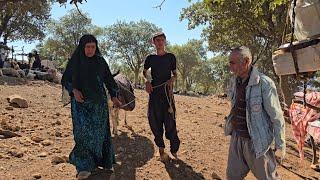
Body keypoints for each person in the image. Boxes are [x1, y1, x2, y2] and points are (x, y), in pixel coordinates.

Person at [61, 34, 121, 179]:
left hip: (99, 105)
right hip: (80, 105)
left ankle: (103, 162)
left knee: (100, 134)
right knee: (82, 135)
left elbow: (109, 80)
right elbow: (65, 80)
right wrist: (74, 90)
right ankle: (84, 167)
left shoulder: (100, 61)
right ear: (82, 47)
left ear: (96, 47)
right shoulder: (75, 61)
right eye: (87, 47)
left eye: (93, 47)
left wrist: (114, 95)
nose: (90, 50)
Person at [225, 46, 286, 180]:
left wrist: (280, 144)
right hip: (237, 139)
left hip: (257, 142)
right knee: (232, 176)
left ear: (246, 61)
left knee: (268, 178)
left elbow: (276, 116)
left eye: (232, 62)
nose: (230, 66)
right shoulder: (235, 81)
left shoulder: (264, 83)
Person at [142, 32, 180, 162]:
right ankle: (161, 150)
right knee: (154, 121)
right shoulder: (150, 58)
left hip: (167, 94)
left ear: (165, 41)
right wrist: (147, 82)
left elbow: (175, 74)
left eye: (162, 40)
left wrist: (172, 80)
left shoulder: (171, 57)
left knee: (170, 122)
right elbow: (144, 72)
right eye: (157, 40)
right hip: (154, 94)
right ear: (153, 42)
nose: (159, 42)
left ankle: (174, 151)